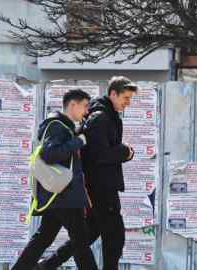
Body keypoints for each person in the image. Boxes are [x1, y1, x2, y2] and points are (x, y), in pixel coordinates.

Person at [36, 76, 137, 270]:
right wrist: (125, 152)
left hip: (98, 184)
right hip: (100, 186)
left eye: (130, 98)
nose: (128, 103)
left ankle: (48, 264)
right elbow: (99, 154)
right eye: (125, 98)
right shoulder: (101, 118)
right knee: (114, 235)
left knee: (89, 233)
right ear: (113, 94)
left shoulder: (105, 115)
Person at [12, 89, 97, 270]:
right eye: (84, 106)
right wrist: (79, 141)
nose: (86, 111)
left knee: (43, 238)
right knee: (81, 243)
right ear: (72, 105)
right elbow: (50, 154)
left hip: (59, 195)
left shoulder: (64, 127)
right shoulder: (57, 126)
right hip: (65, 196)